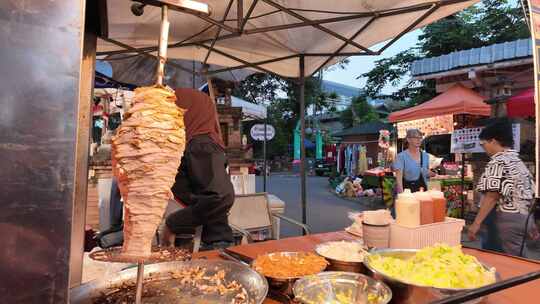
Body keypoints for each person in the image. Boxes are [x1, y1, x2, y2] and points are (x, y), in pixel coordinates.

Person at [161, 88, 234, 250]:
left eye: (175, 111)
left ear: (189, 111)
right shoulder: (196, 142)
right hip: (201, 238)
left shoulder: (202, 145)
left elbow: (220, 197)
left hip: (209, 244)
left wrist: (173, 223)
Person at [467, 120, 538, 256]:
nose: (484, 148)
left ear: (493, 141)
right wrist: (531, 222)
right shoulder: (517, 161)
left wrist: (476, 223)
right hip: (523, 218)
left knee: (507, 263)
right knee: (519, 258)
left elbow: (492, 195)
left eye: (484, 144)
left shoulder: (498, 161)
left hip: (505, 219)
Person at [393, 129, 433, 193]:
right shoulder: (401, 157)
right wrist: (402, 196)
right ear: (408, 139)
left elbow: (426, 173)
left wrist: (435, 174)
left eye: (420, 138)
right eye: (415, 137)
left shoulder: (426, 156)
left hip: (424, 193)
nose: (419, 140)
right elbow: (399, 182)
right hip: (409, 194)